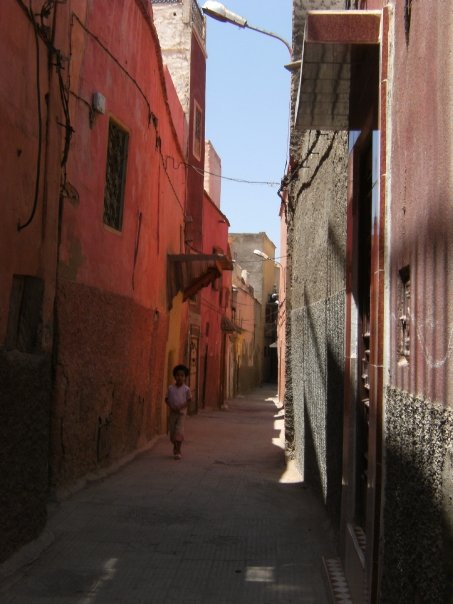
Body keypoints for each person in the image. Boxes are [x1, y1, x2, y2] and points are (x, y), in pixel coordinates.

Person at [165, 364, 191, 460]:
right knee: (172, 433)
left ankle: (178, 450)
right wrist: (171, 406)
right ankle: (175, 446)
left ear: (185, 377)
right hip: (173, 413)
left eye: (182, 375)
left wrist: (181, 407)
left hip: (181, 414)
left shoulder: (186, 389)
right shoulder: (170, 388)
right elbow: (166, 399)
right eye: (177, 375)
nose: (179, 377)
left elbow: (189, 400)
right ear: (174, 376)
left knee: (179, 431)